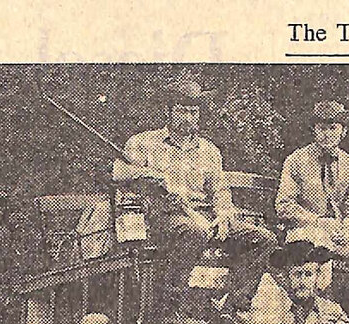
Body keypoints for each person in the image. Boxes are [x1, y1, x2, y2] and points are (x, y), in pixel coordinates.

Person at [111, 73, 276, 307]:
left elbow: (219, 189)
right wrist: (152, 175)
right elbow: (119, 172)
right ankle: (171, 302)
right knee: (194, 232)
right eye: (182, 110)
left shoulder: (209, 150)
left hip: (203, 216)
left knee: (264, 239)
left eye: (193, 112)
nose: (188, 117)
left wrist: (223, 215)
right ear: (168, 111)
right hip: (162, 217)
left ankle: (232, 304)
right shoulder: (144, 143)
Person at [273, 100, 349, 315]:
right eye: (322, 128)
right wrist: (316, 221)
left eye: (332, 128)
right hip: (304, 232)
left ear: (343, 131)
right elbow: (284, 205)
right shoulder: (296, 160)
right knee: (319, 245)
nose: (326, 134)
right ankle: (319, 311)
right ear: (314, 130)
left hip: (339, 235)